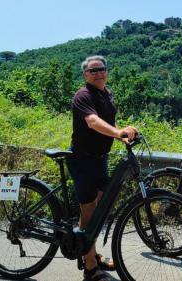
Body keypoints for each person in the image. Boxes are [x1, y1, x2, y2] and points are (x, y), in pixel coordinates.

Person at [67, 55, 138, 281]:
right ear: (85, 75)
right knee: (89, 212)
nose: (98, 73)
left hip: (99, 158)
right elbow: (93, 121)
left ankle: (91, 254)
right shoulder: (83, 95)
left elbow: (107, 122)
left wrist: (122, 134)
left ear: (107, 72)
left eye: (101, 69)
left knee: (95, 212)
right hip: (83, 159)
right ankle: (90, 268)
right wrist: (118, 133)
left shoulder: (106, 94)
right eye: (92, 70)